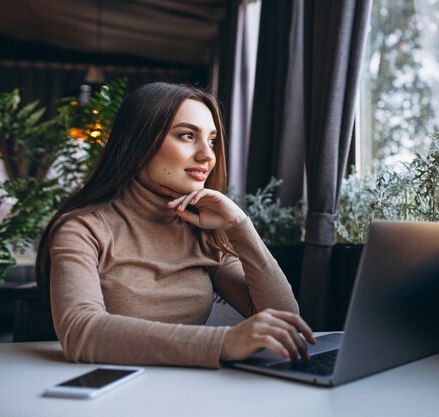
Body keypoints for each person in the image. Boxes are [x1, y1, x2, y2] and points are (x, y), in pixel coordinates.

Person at [36, 82, 316, 369]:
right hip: (108, 393)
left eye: (212, 141)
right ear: (139, 142)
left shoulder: (203, 232)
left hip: (191, 391)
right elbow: (80, 332)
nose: (207, 156)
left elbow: (283, 319)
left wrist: (239, 225)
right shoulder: (82, 229)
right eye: (187, 135)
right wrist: (222, 343)